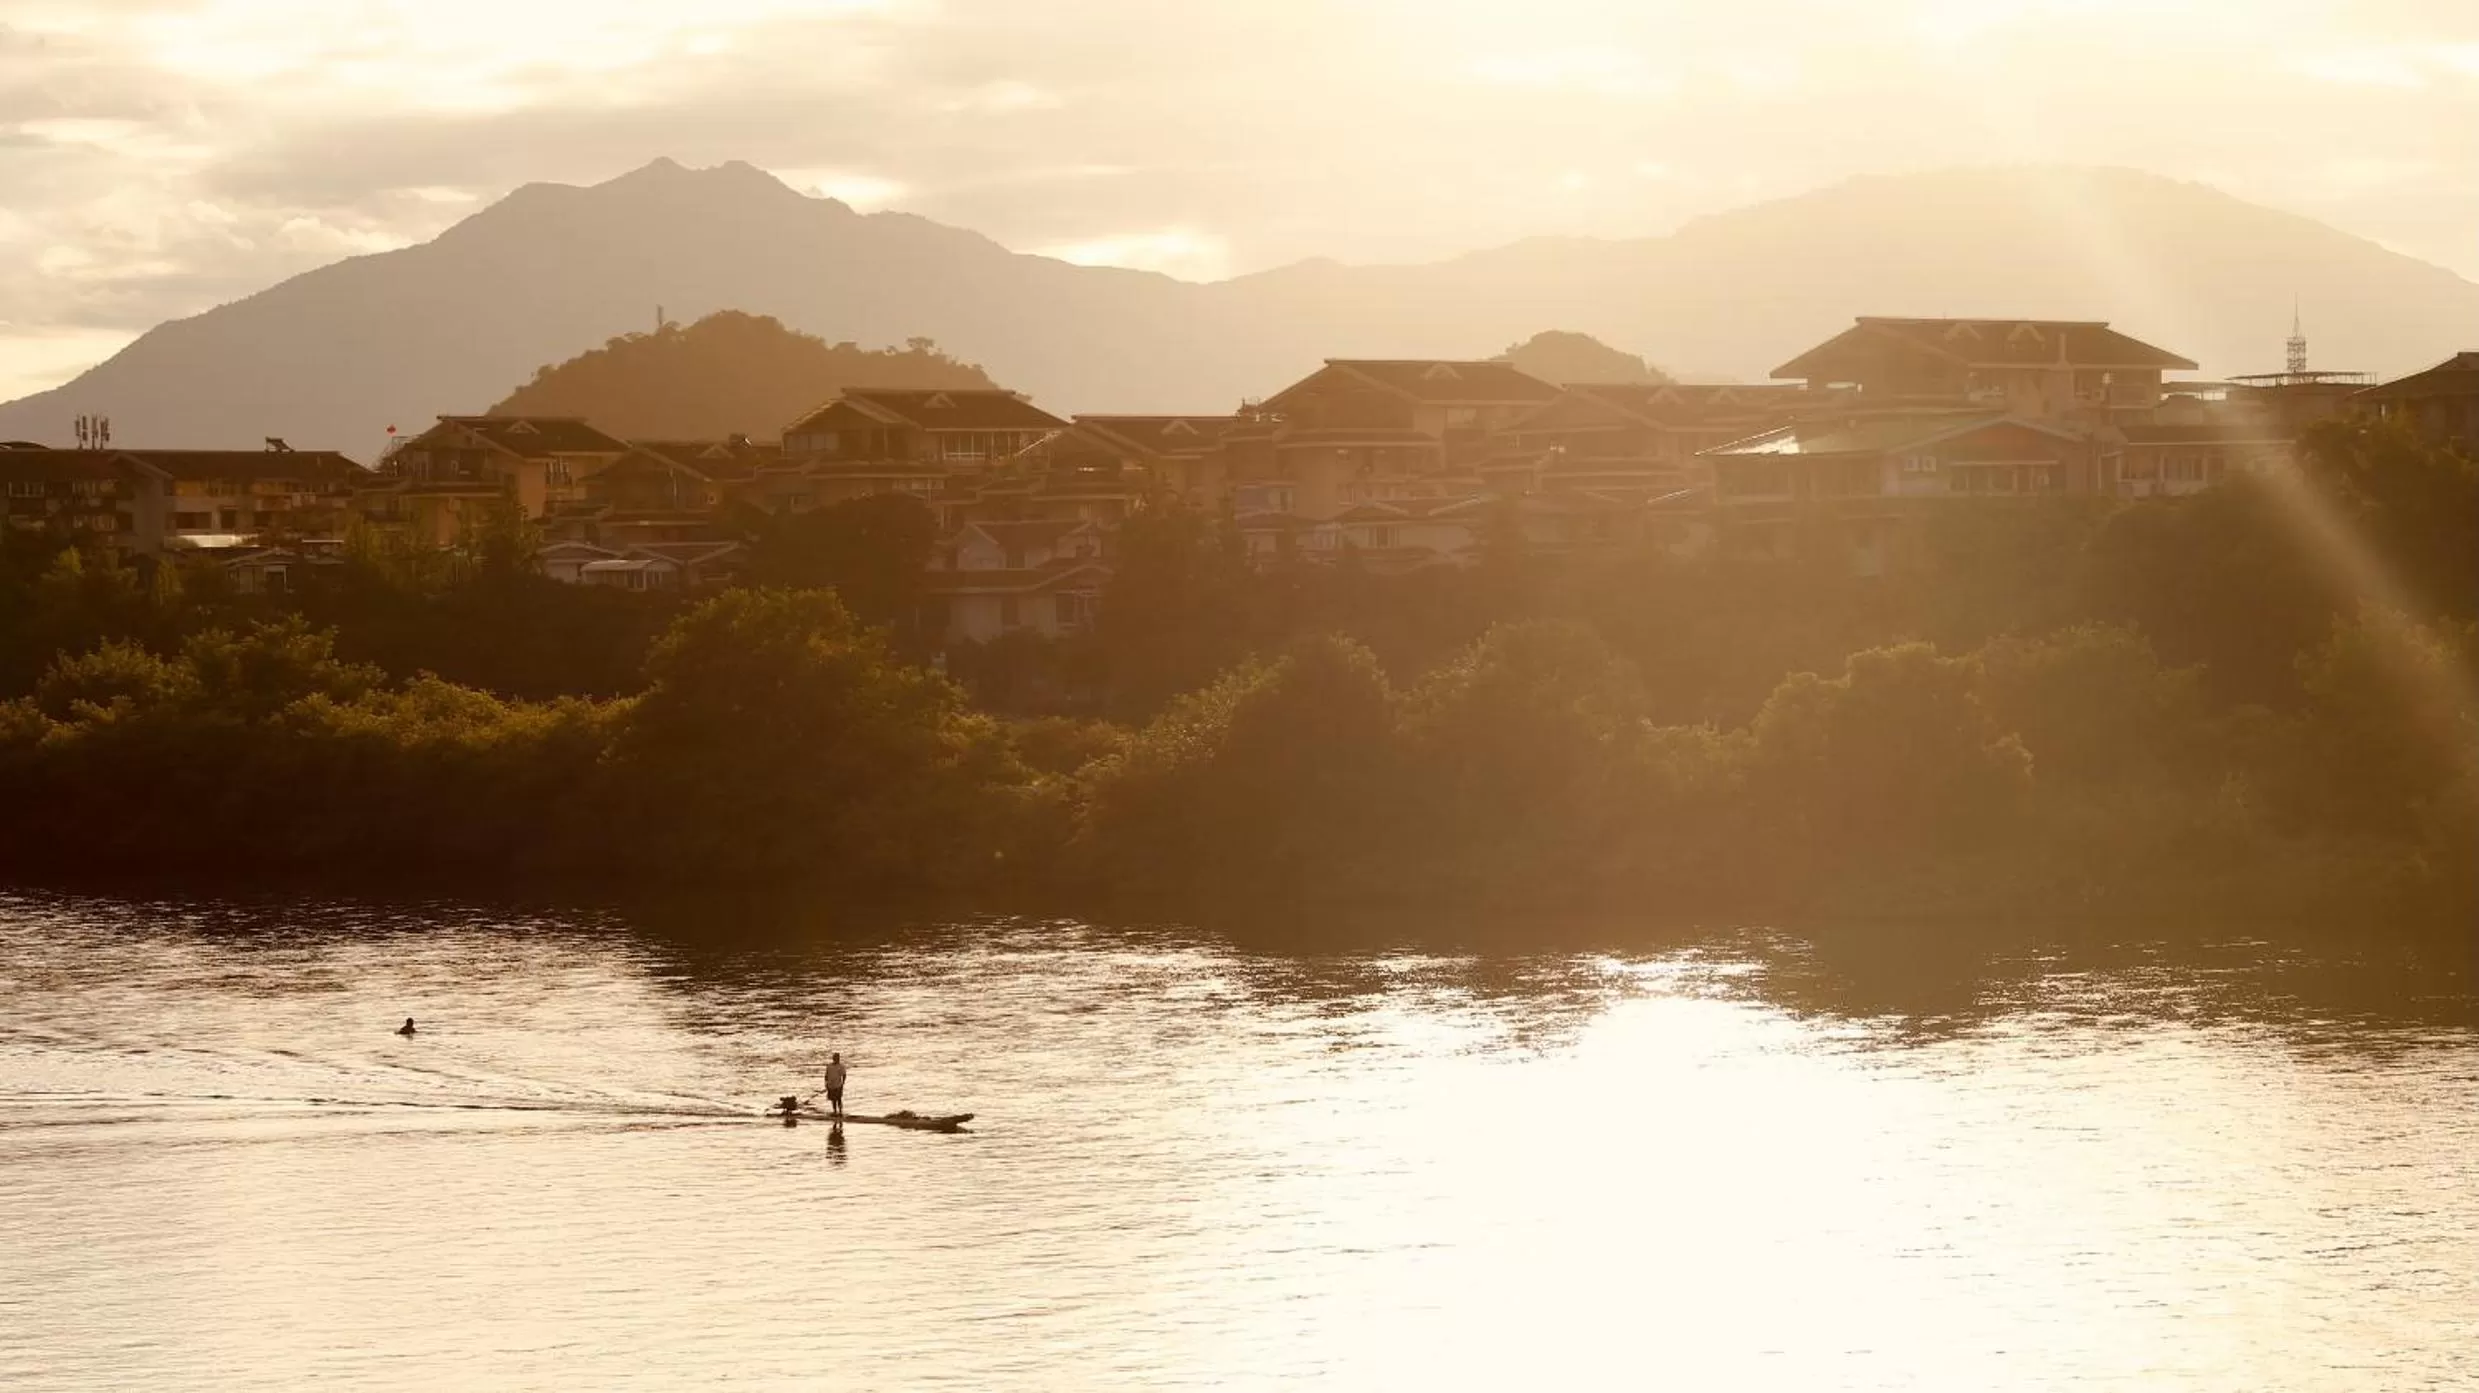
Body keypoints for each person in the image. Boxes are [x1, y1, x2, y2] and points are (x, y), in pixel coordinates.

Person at [823, 1053, 849, 1117]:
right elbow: (826, 1075)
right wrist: (826, 1083)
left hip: (838, 1085)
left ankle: (840, 1111)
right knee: (833, 1099)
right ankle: (834, 1111)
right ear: (833, 1059)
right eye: (836, 1058)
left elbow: (844, 1075)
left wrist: (843, 1082)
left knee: (839, 1098)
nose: (837, 1059)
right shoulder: (829, 1066)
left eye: (838, 1058)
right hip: (831, 1085)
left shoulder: (841, 1066)